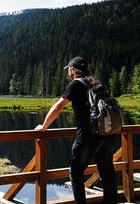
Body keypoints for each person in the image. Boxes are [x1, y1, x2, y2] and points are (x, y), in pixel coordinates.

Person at [35, 57, 117, 204]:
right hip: (106, 134)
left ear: (72, 70)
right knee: (107, 171)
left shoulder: (76, 84)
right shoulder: (95, 83)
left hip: (88, 136)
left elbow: (58, 107)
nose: (68, 72)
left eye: (69, 70)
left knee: (76, 173)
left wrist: (43, 126)